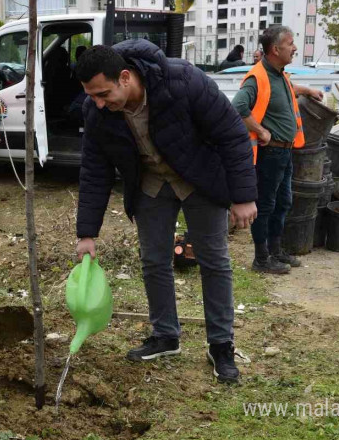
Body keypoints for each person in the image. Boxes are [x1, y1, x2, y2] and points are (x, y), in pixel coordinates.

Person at [73, 41, 258, 383]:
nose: (98, 103)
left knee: (214, 260)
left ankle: (220, 345)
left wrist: (243, 196)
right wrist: (87, 233)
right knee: (154, 260)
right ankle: (165, 335)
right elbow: (94, 171)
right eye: (91, 95)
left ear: (125, 78)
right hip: (151, 184)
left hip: (199, 178)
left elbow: (232, 134)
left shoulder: (183, 81)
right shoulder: (96, 110)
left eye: (103, 94)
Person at [231, 26, 324, 275]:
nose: (294, 48)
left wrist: (307, 90)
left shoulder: (278, 74)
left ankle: (275, 250)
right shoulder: (257, 76)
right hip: (270, 153)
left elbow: (286, 91)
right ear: (275, 49)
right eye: (290, 43)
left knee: (283, 202)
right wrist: (261, 131)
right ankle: (261, 258)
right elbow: (238, 106)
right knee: (266, 205)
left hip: (284, 152)